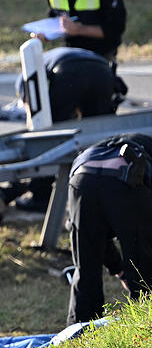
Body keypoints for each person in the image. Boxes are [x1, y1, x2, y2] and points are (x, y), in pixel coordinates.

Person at [10, 46, 124, 211]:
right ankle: (101, 191)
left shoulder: (23, 77)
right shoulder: (54, 56)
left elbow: (34, 113)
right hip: (103, 71)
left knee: (52, 135)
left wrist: (34, 132)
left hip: (70, 70)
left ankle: (41, 196)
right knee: (98, 137)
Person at [66, 133, 152, 325]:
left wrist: (119, 270)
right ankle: (145, 332)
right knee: (143, 270)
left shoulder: (111, 144)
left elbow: (94, 234)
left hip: (82, 178)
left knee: (86, 269)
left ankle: (79, 335)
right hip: (127, 178)